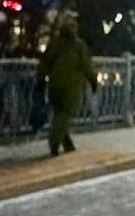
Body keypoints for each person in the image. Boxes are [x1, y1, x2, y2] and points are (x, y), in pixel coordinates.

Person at [37, 18, 98, 156]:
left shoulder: (55, 44)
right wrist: (93, 81)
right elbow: (87, 66)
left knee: (59, 113)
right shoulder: (79, 45)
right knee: (65, 115)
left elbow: (44, 63)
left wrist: (41, 80)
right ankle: (54, 142)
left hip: (54, 86)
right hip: (71, 87)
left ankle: (68, 144)